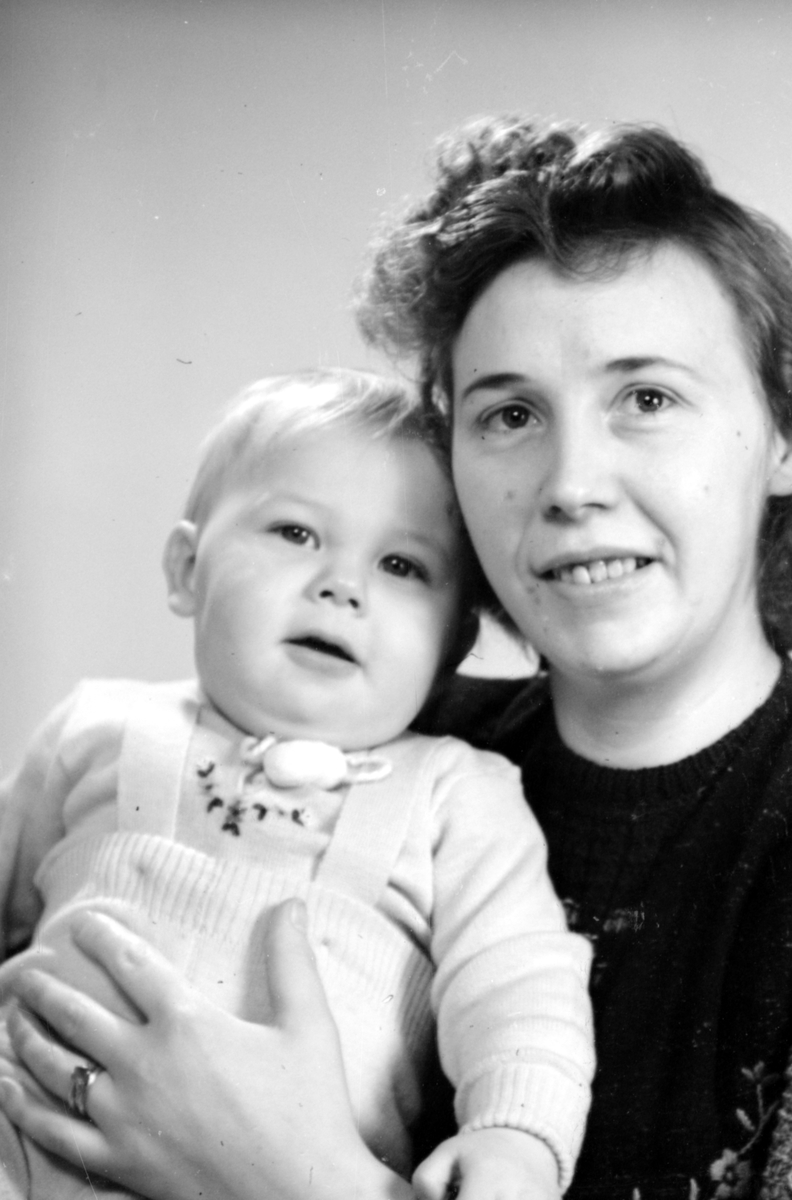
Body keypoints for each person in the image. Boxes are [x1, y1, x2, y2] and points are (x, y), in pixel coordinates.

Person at [0, 117, 792, 1200]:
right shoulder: (379, 738)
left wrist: (298, 1180)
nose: (570, 485)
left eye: (647, 399)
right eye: (510, 414)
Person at [0, 369, 594, 1200]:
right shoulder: (99, 728)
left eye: (401, 564)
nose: (341, 586)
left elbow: (519, 983)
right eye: (295, 532)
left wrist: (513, 1135)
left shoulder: (458, 796)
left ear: (451, 648)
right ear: (187, 568)